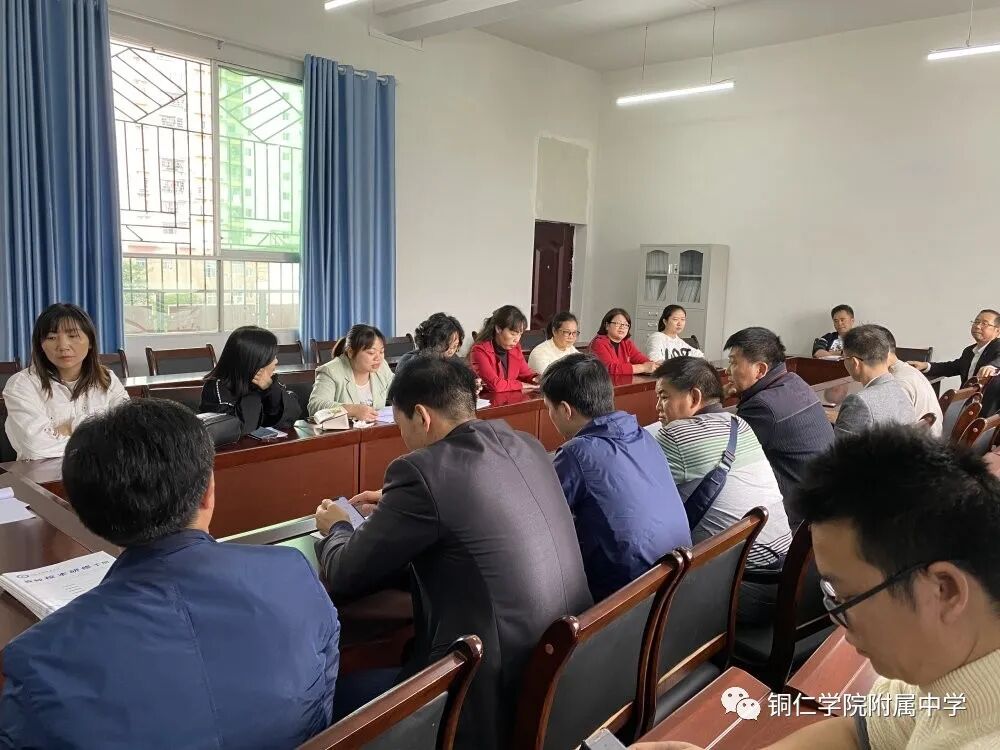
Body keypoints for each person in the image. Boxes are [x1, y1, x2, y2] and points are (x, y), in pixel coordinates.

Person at [631, 426, 1000, 750]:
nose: (840, 624)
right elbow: (858, 734)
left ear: (945, 590)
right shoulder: (941, 664)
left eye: (848, 599)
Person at [0, 399, 340, 749]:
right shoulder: (294, 573)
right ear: (208, 491)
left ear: (86, 514)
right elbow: (323, 703)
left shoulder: (39, 659)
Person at [313, 356, 591, 750]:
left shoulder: (421, 471)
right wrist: (396, 507)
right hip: (565, 669)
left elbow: (345, 572)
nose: (403, 437)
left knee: (327, 702)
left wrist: (338, 527)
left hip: (485, 693)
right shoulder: (526, 444)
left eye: (402, 425)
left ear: (421, 416)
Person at [540, 354, 691, 602]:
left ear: (566, 410)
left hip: (628, 598)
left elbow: (543, 519)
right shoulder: (642, 435)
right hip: (676, 579)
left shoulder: (576, 452)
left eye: (549, 408)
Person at [653, 357, 793, 624]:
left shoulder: (675, 435)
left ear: (694, 397)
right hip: (784, 580)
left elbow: (640, 497)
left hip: (740, 592)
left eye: (664, 397)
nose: (658, 407)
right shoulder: (739, 424)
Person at [724, 327, 834, 526]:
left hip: (793, 517)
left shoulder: (762, 407)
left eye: (733, 363)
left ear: (760, 370)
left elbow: (724, 456)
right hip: (821, 503)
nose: (727, 370)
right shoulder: (794, 381)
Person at [2, 303, 129, 460]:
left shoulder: (107, 379)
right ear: (41, 345)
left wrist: (69, 428)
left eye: (73, 336)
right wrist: (98, 432)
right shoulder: (21, 384)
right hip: (42, 474)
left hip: (102, 472)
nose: (63, 346)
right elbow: (35, 448)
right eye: (52, 337)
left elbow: (128, 434)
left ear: (90, 342)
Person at [199, 325, 301, 434]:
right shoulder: (216, 388)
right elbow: (241, 429)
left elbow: (291, 416)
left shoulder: (267, 382)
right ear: (256, 361)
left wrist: (270, 389)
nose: (276, 361)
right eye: (272, 357)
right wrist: (254, 390)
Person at [835, 325, 915, 439]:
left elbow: (839, 448)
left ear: (855, 363)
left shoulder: (858, 402)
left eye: (845, 358)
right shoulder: (901, 389)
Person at [308, 324, 393, 422]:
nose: (378, 358)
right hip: (344, 430)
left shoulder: (381, 366)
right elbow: (314, 406)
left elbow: (398, 391)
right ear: (351, 352)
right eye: (371, 353)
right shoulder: (331, 371)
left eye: (381, 352)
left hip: (375, 428)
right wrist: (353, 410)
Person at [872, 324, 943, 438]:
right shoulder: (909, 370)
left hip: (918, 445)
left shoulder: (896, 383)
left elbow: (886, 433)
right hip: (931, 441)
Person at [909, 309, 1000, 383]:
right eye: (976, 322)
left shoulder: (997, 346)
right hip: (966, 398)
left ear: (997, 331)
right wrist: (925, 365)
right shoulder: (969, 351)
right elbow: (951, 367)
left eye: (984, 324)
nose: (977, 326)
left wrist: (992, 366)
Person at [468, 304, 539, 393]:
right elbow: (495, 385)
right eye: (513, 334)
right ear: (498, 329)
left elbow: (526, 374)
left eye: (520, 334)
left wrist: (536, 378)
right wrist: (522, 385)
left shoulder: (515, 348)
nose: (517, 339)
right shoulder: (479, 351)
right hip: (489, 400)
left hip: (510, 398)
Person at [590, 308, 659, 376]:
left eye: (626, 325)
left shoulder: (626, 343)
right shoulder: (598, 343)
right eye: (618, 323)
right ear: (607, 325)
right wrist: (642, 368)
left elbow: (640, 359)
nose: (622, 327)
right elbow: (609, 368)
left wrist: (653, 365)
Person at [395, 312, 465, 372]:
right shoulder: (410, 363)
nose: (451, 351)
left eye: (455, 346)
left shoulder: (454, 360)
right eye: (447, 345)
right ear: (432, 341)